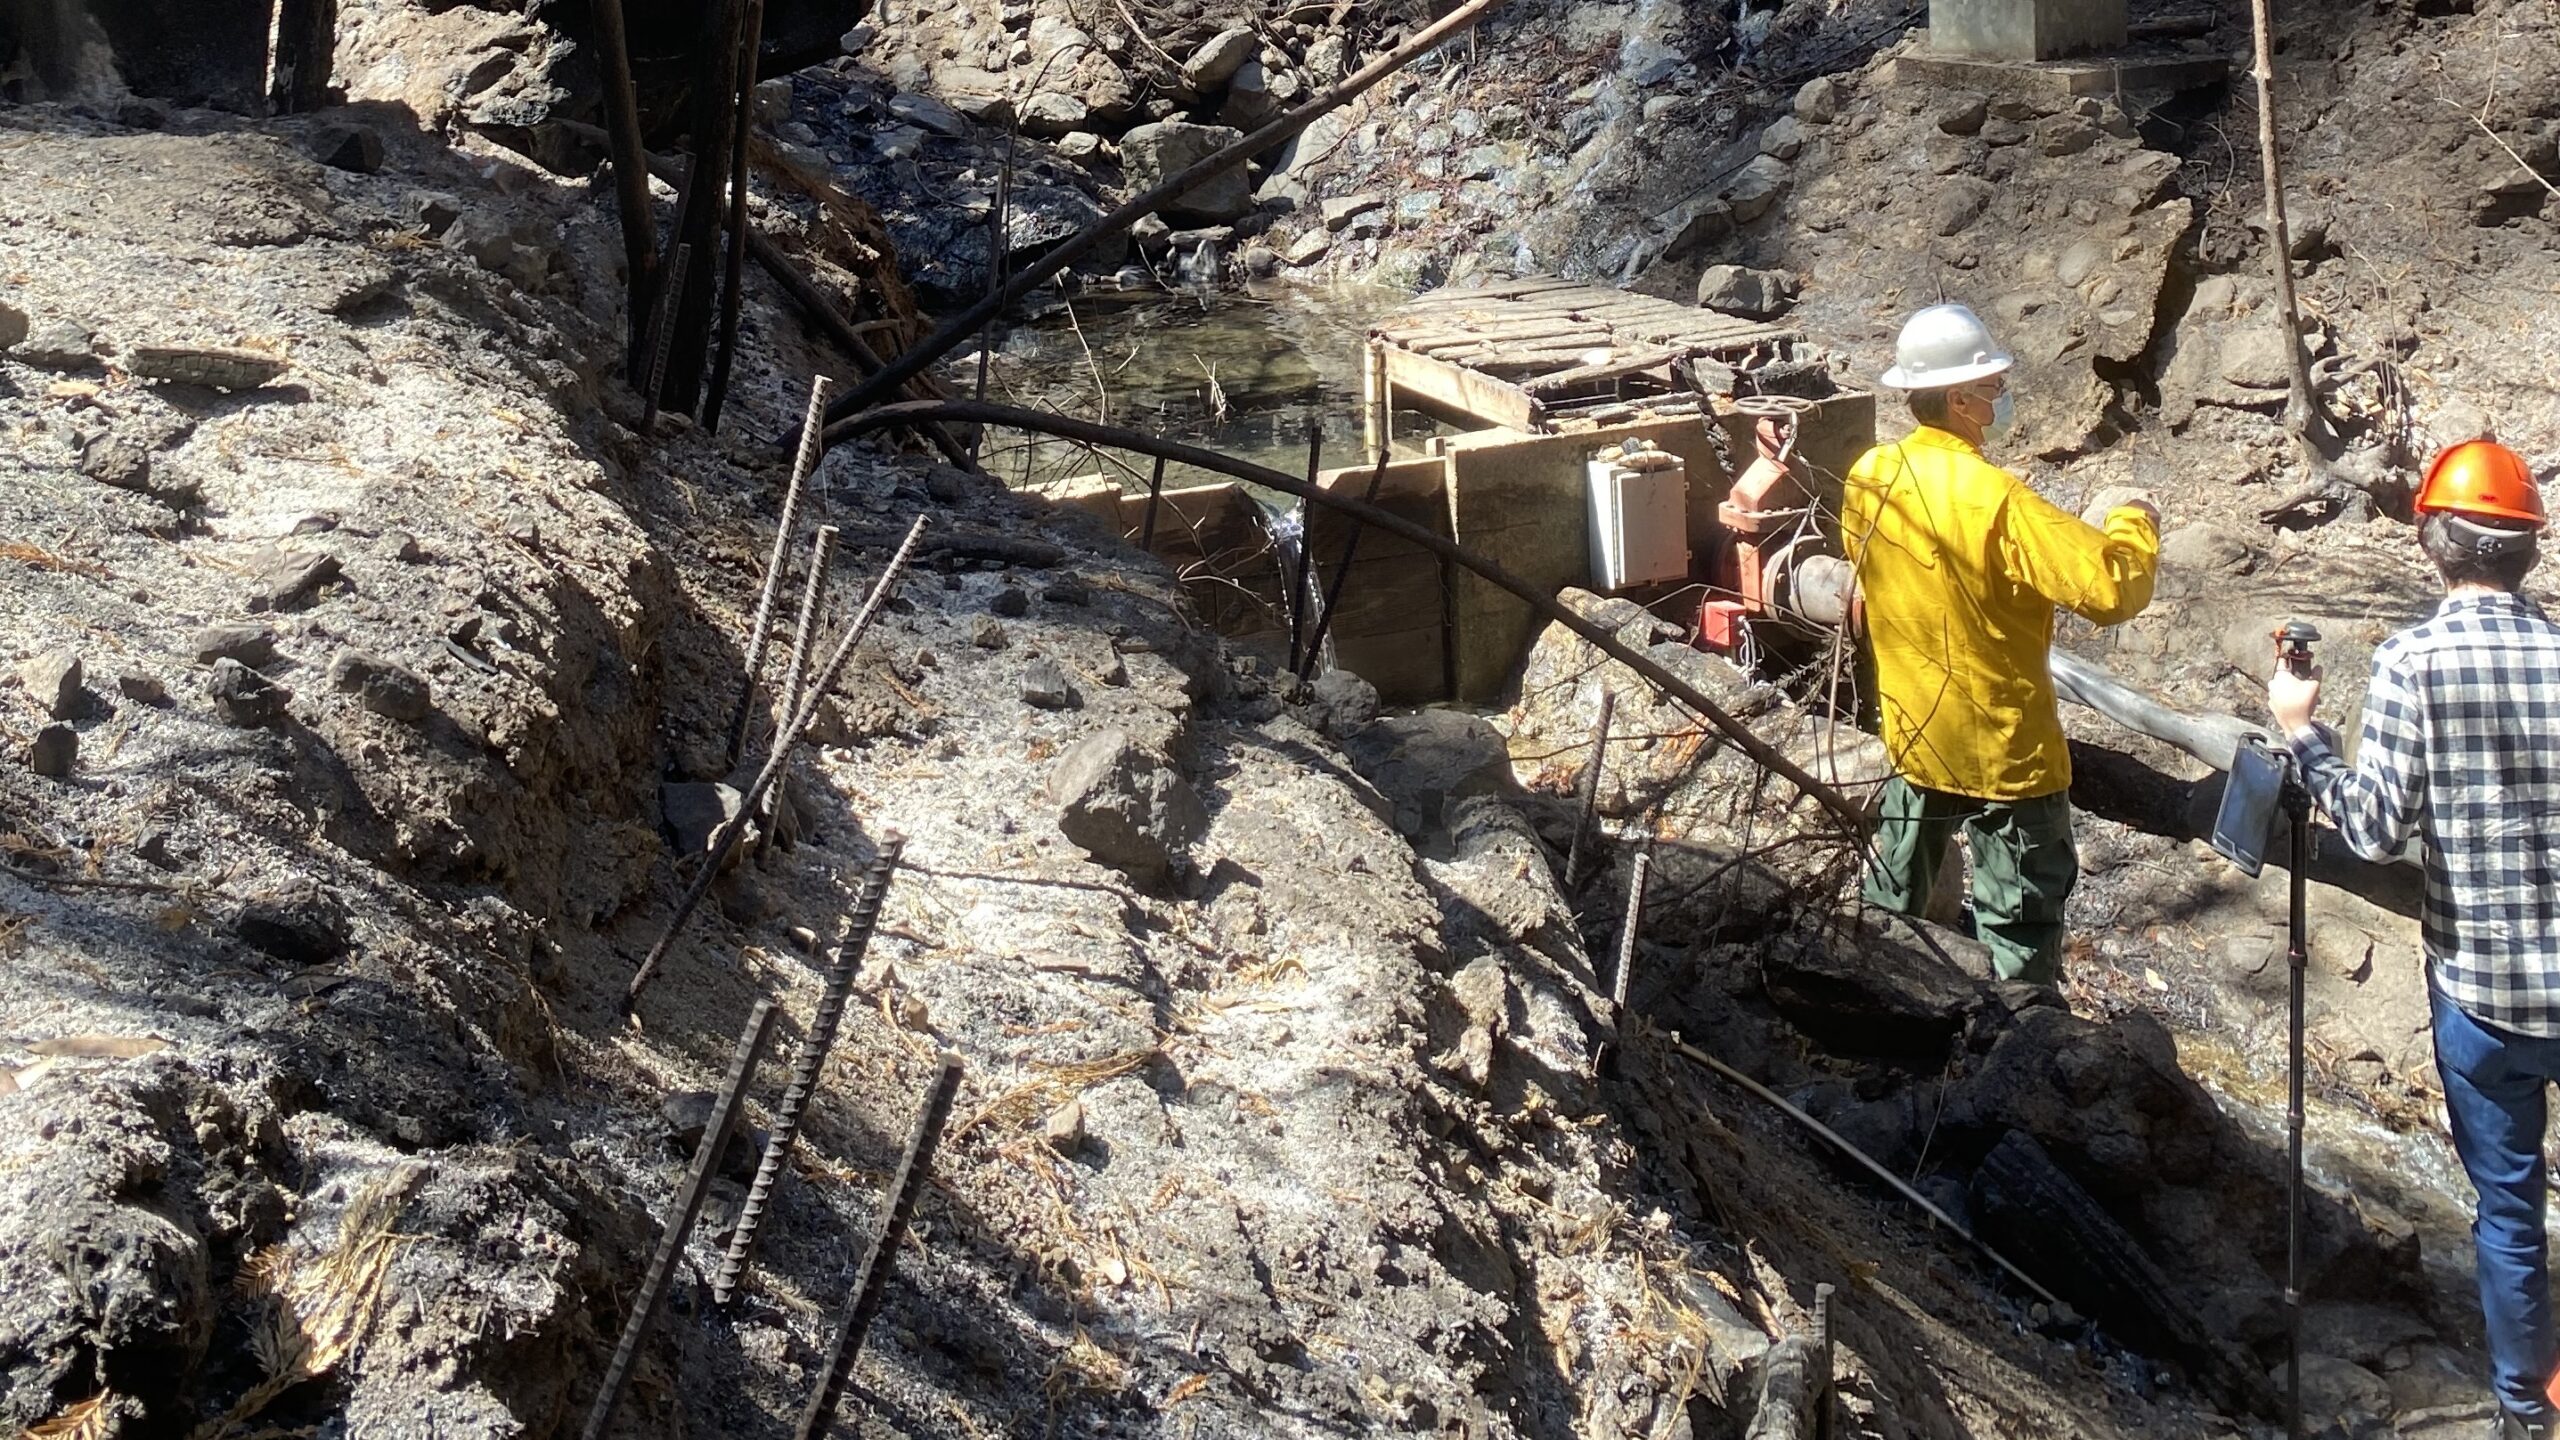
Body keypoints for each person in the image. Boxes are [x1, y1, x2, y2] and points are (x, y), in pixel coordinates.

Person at [2267, 439, 2560, 1440]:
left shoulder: (2410, 662)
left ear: (2433, 547)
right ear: (2527, 548)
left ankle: (2526, 1409)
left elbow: (2373, 827)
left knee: (2511, 1217)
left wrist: (2303, 734)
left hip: (2483, 992)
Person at [1841, 303, 2161, 983]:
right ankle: (2019, 1038)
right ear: (1958, 399)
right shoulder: (1997, 498)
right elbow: (2112, 591)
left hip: (1914, 732)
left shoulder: (1870, 476)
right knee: (2020, 927)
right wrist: (2133, 518)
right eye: (1991, 388)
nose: (2001, 399)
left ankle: (1874, 998)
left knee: (1887, 908)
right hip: (2006, 752)